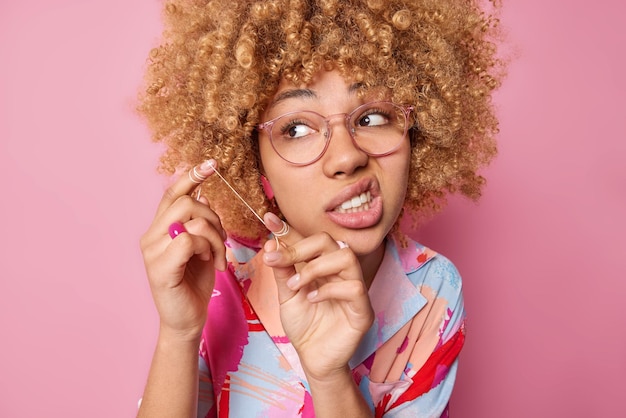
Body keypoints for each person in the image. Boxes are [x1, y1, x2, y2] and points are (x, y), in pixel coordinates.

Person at [136, 0, 502, 416]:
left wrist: (328, 375)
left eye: (374, 117)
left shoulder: (432, 290)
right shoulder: (217, 273)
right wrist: (178, 333)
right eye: (297, 128)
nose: (347, 157)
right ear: (257, 167)